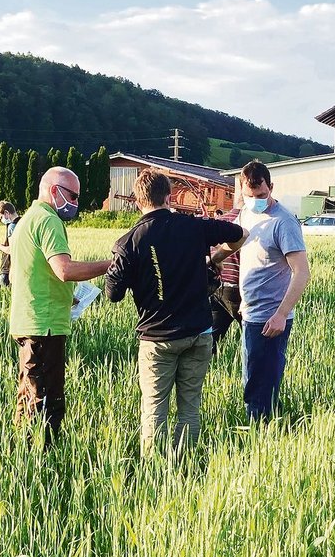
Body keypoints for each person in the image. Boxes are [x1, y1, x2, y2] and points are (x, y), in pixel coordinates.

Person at [106, 170, 244, 453]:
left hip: (156, 340)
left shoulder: (128, 242)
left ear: (136, 201)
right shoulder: (193, 226)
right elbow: (241, 234)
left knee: (154, 409)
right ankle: (187, 464)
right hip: (199, 333)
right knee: (189, 407)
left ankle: (154, 474)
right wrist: (215, 260)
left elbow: (113, 294)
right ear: (169, 197)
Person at [9, 167, 110, 441]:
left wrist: (69, 296)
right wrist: (111, 265)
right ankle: (41, 460)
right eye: (73, 196)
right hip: (45, 325)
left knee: (28, 397)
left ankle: (21, 457)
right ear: (54, 190)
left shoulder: (28, 219)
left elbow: (38, 273)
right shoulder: (48, 220)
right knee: (46, 402)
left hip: (29, 320)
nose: (76, 203)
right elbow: (63, 270)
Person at [236, 161, 309, 422]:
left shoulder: (284, 222)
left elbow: (302, 272)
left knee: (261, 386)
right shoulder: (245, 213)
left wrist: (281, 314)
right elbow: (235, 241)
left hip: (270, 319)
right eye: (250, 195)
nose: (255, 200)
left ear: (271, 187)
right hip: (249, 313)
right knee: (251, 378)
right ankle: (256, 427)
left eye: (261, 195)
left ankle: (261, 437)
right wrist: (215, 258)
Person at [208, 192, 243, 347]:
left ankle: (207, 367)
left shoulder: (219, 222)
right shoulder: (249, 224)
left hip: (217, 287)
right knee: (253, 337)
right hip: (240, 290)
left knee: (212, 337)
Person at [0, 200, 19, 287]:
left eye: (1, 217)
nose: (1, 220)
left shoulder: (12, 226)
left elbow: (11, 249)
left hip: (9, 268)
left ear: (6, 213)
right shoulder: (23, 222)